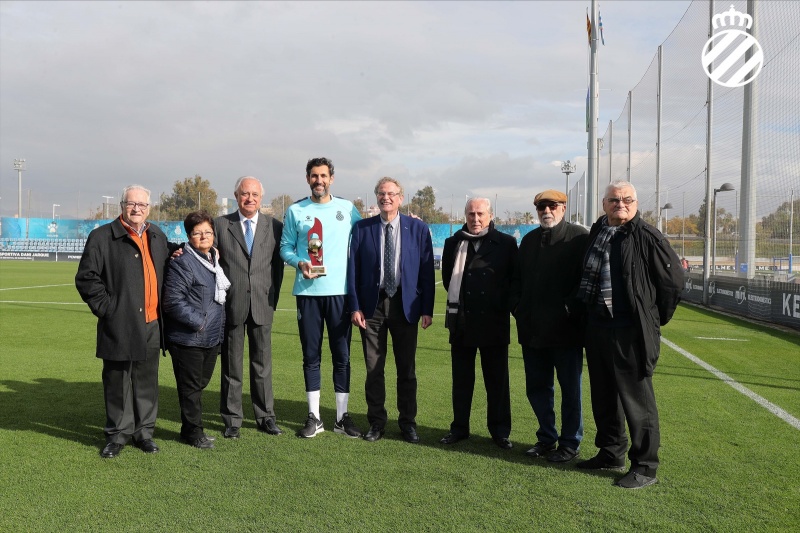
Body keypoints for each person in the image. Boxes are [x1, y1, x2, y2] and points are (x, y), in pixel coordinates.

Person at [576, 180, 683, 489]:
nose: (619, 204)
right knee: (604, 395)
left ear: (636, 203)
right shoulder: (599, 230)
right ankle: (611, 453)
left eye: (626, 199)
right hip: (598, 325)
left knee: (638, 401)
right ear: (604, 203)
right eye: (613, 199)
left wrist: (652, 318)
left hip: (630, 331)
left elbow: (673, 282)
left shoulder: (647, 236)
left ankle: (646, 466)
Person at [76, 184, 176, 458]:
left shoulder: (156, 234)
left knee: (146, 381)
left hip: (152, 323)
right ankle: (117, 435)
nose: (136, 209)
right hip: (119, 323)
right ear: (122, 206)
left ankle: (144, 433)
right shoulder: (102, 237)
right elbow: (86, 278)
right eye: (131, 204)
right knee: (118, 381)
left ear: (149, 208)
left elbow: (169, 256)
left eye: (142, 205)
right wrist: (109, 309)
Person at [347, 177, 435, 443]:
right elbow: (352, 271)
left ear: (401, 197)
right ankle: (377, 422)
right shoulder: (362, 228)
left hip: (405, 306)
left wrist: (427, 308)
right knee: (374, 369)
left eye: (391, 194)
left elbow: (426, 272)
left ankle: (407, 423)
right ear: (377, 197)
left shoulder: (418, 229)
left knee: (406, 370)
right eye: (382, 193)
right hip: (371, 308)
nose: (386, 197)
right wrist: (355, 307)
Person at [280, 157, 362, 438]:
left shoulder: (347, 209)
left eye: (323, 176)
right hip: (308, 294)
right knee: (311, 355)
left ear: (332, 178)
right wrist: (299, 263)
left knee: (342, 356)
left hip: (340, 294)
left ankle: (341, 417)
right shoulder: (295, 211)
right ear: (307, 179)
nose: (319, 180)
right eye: (314, 176)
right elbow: (285, 248)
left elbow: (363, 239)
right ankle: (314, 417)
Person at [510, 189, 589, 463]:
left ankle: (570, 443)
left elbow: (586, 279)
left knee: (570, 390)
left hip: (566, 331)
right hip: (532, 329)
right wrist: (517, 307)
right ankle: (546, 438)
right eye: (542, 206)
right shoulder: (529, 241)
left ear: (563, 208)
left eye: (552, 206)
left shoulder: (579, 237)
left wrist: (570, 307)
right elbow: (516, 280)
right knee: (538, 388)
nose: (547, 211)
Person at [439, 198, 517, 449]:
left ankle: (500, 432)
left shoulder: (506, 243)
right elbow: (447, 276)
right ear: (465, 215)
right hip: (462, 321)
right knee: (461, 380)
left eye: (480, 214)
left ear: (490, 215)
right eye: (471, 214)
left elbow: (514, 281)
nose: (475, 219)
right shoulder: (453, 243)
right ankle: (459, 428)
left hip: (493, 322)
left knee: (497, 382)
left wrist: (501, 305)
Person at [215, 176, 285, 439]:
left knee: (262, 364)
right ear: (236, 195)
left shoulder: (274, 226)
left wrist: (271, 300)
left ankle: (266, 416)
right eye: (245, 194)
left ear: (261, 197)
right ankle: (232, 419)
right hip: (232, 304)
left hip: (262, 303)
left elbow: (277, 269)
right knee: (232, 365)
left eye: (255, 194)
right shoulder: (221, 225)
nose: (250, 199)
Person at [163, 211, 230, 449]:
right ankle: (193, 432)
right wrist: (199, 322)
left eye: (208, 232)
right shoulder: (182, 262)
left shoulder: (214, 260)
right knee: (191, 388)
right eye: (197, 232)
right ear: (189, 236)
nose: (203, 236)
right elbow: (172, 301)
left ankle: (188, 428)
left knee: (199, 384)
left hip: (210, 337)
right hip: (188, 338)